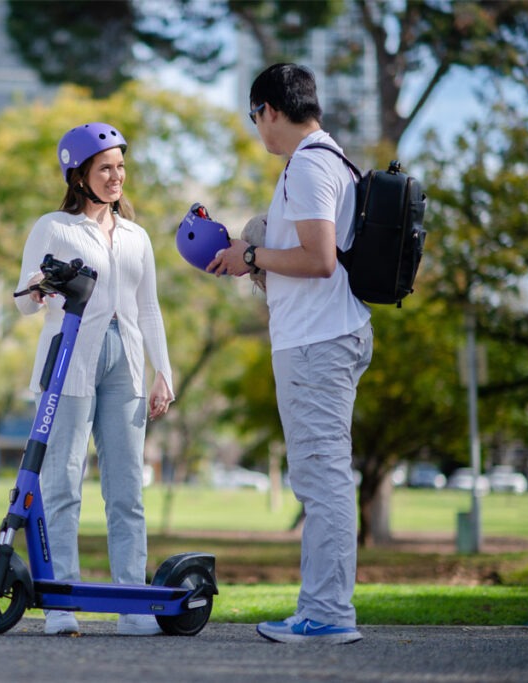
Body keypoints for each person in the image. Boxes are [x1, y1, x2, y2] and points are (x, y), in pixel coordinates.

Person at [208, 64, 373, 644]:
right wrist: (247, 256)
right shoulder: (331, 159)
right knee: (322, 477)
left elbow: (319, 259)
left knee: (322, 480)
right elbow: (309, 261)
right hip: (325, 335)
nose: (258, 130)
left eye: (256, 118)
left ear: (269, 110)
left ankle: (328, 615)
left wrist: (251, 257)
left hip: (316, 343)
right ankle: (324, 609)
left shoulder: (306, 165)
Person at [15, 122, 175, 636]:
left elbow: (148, 307)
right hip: (70, 360)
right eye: (105, 168)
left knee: (126, 489)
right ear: (79, 174)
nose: (116, 176)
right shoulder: (53, 227)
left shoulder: (136, 236)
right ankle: (61, 604)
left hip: (125, 362)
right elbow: (23, 301)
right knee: (62, 483)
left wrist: (162, 372)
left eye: (121, 167)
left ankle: (132, 603)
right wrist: (38, 291)